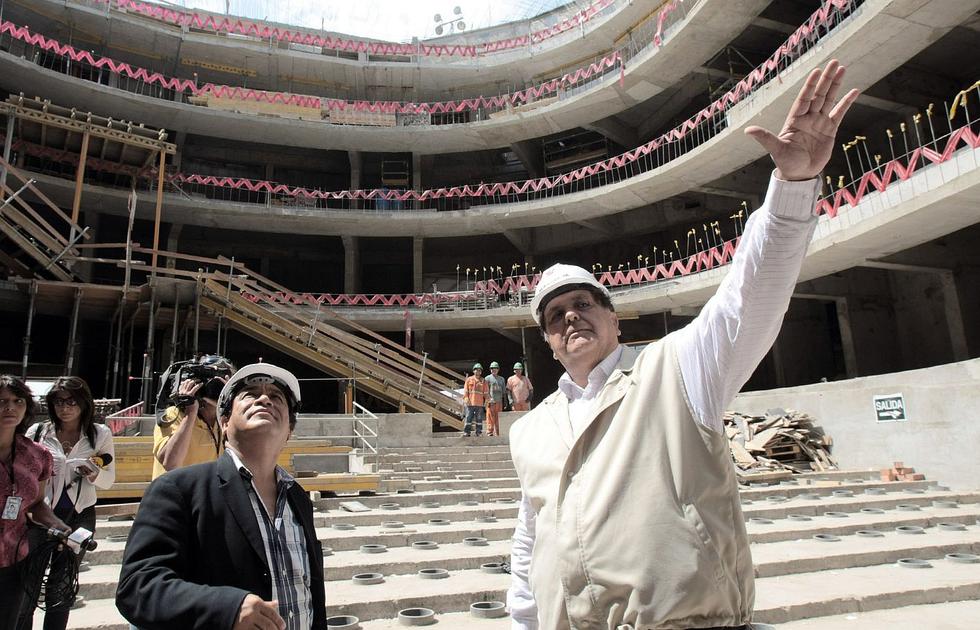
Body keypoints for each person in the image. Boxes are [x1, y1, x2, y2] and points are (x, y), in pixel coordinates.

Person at [507, 60, 859, 629]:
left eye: (584, 304)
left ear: (615, 321)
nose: (570, 317)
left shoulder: (676, 369)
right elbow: (529, 536)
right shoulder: (530, 430)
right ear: (548, 343)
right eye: (554, 315)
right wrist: (522, 621)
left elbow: (750, 301)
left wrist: (792, 187)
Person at [116, 363, 327, 630]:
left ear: (289, 431)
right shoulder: (179, 489)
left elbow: (311, 592)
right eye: (250, 394)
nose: (264, 398)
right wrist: (227, 609)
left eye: (276, 397)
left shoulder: (298, 497)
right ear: (224, 422)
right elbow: (137, 587)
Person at [18, 376, 116, 630]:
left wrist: (93, 472)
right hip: (39, 516)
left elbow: (108, 481)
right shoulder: (38, 432)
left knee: (61, 586)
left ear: (83, 403)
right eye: (59, 401)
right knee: (29, 584)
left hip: (79, 515)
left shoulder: (99, 434)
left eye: (71, 401)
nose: (65, 407)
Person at [0, 375, 69, 630]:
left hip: (14, 562)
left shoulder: (38, 455)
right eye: (2, 401)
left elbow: (37, 503)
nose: (10, 407)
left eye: (18, 401)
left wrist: (56, 524)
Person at [152, 354, 234, 479]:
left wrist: (231, 403)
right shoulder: (173, 415)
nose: (218, 388)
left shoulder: (226, 421)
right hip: (174, 495)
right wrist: (190, 412)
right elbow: (171, 464)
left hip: (204, 495)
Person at [462, 363, 488, 437]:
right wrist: (466, 398)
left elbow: (486, 392)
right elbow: (466, 391)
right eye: (476, 370)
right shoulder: (469, 380)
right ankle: (467, 432)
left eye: (479, 370)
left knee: (479, 419)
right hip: (470, 403)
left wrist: (487, 401)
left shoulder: (483, 381)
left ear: (481, 372)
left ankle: (479, 432)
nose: (478, 372)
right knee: (468, 418)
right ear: (473, 371)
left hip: (479, 404)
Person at [484, 362, 506, 437]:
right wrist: (489, 400)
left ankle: (498, 432)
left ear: (498, 369)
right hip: (491, 402)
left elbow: (504, 391)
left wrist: (505, 401)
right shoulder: (487, 378)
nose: (494, 370)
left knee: (498, 417)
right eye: (492, 368)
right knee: (490, 417)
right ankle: (490, 432)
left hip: (499, 401)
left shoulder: (501, 379)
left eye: (495, 368)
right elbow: (485, 391)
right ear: (490, 369)